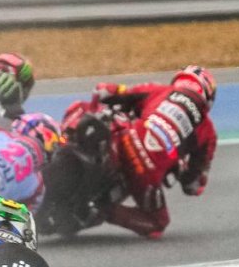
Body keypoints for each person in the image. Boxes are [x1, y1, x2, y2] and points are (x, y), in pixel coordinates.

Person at [77, 66, 217, 239]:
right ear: (208, 96)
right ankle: (102, 209)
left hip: (125, 140)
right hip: (145, 171)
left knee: (90, 111)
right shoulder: (208, 132)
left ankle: (64, 139)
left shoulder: (159, 90)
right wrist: (190, 180)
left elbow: (107, 91)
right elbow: (192, 183)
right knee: (157, 224)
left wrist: (104, 94)